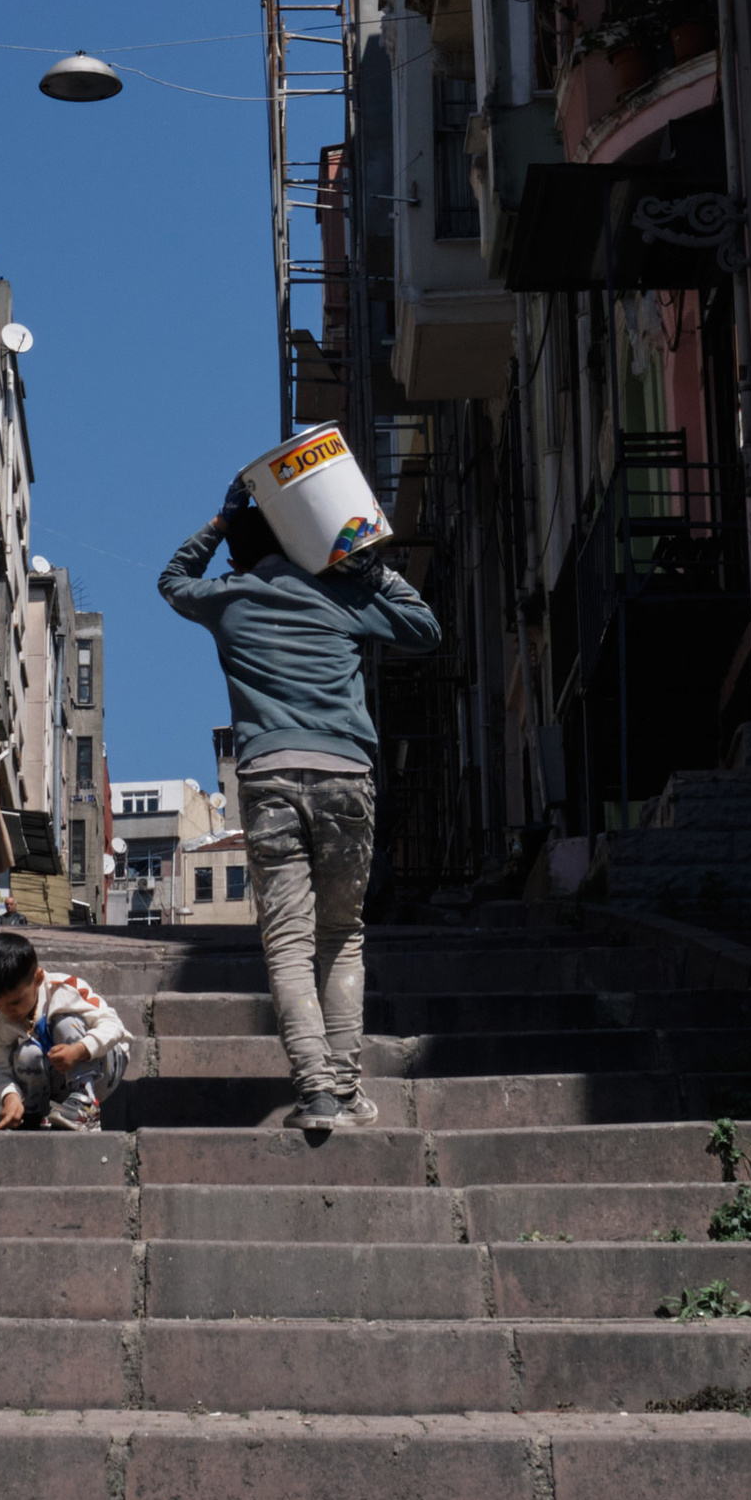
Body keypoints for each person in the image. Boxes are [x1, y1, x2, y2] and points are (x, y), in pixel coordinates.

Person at [158, 477, 440, 1141]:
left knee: (288, 942)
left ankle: (314, 1090)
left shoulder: (226, 597)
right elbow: (425, 630)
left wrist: (220, 522)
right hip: (347, 775)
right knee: (342, 935)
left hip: (268, 778)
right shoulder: (338, 594)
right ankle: (347, 1087)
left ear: (237, 558)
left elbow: (173, 579)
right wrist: (373, 573)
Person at [0, 932, 129, 1131]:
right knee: (26, 1053)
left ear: (38, 978)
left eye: (16, 1002)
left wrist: (80, 1050)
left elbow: (113, 1025)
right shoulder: (2, 1018)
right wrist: (10, 1096)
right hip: (58, 1080)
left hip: (104, 1066)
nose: (8, 1011)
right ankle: (32, 1113)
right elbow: (0, 1065)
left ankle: (86, 1104)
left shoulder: (64, 990)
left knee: (65, 1021)